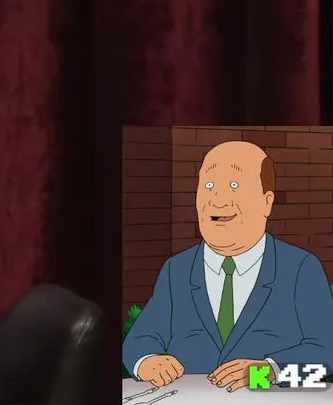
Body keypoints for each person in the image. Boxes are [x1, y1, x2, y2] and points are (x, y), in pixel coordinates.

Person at [122, 140, 333, 392]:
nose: (218, 201)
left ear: (266, 202)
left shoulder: (300, 268)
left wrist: (264, 373)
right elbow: (140, 339)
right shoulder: (176, 270)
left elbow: (326, 358)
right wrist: (147, 361)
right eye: (209, 185)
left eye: (235, 185)